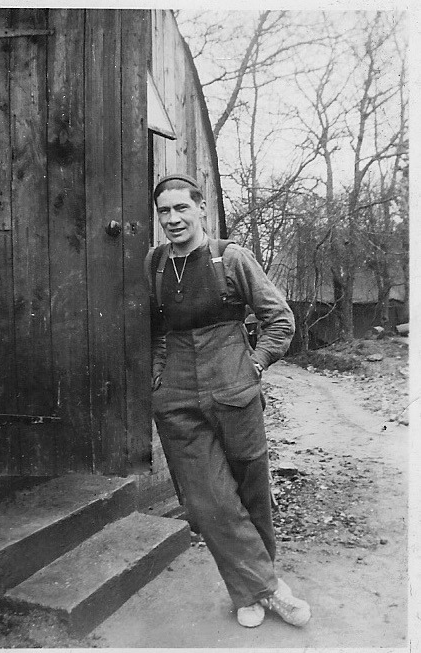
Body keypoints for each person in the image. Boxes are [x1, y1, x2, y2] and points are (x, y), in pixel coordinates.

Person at [145, 173, 311, 629]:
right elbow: (155, 328)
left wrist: (255, 365)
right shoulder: (155, 262)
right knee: (205, 501)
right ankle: (271, 589)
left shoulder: (229, 257)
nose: (173, 219)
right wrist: (158, 376)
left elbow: (280, 319)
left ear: (201, 209)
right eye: (165, 211)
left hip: (234, 386)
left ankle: (247, 592)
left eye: (182, 208)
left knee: (250, 491)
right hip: (177, 394)